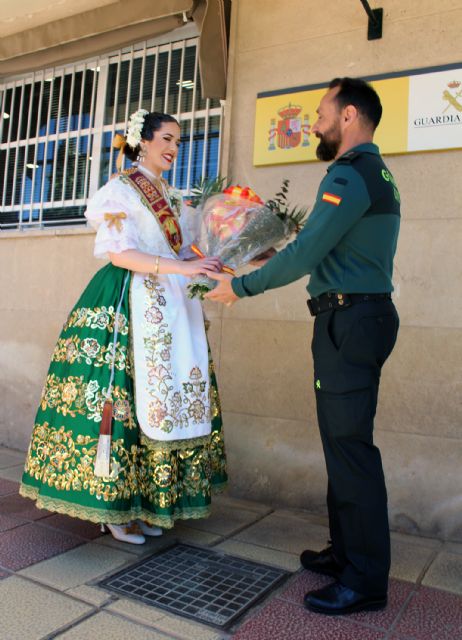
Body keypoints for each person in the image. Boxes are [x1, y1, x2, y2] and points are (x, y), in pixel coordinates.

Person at [205, 78, 400, 615]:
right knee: (342, 444)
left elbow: (311, 248)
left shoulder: (350, 173)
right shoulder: (372, 174)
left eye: (321, 113)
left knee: (351, 449)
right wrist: (269, 255)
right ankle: (347, 554)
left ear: (349, 116)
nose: (314, 122)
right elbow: (321, 251)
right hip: (358, 317)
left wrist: (240, 286)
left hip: (350, 321)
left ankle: (364, 580)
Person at [20, 110, 227, 545]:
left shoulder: (175, 198)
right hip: (128, 300)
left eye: (178, 141)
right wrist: (180, 268)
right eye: (166, 138)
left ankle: (146, 503)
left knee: (164, 403)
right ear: (143, 141)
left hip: (172, 305)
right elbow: (119, 254)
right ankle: (112, 510)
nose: (173, 148)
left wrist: (224, 254)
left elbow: (191, 247)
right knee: (123, 403)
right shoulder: (117, 192)